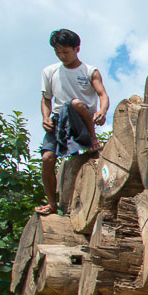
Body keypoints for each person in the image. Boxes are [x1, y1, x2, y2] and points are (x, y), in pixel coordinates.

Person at [37, 28, 109, 215]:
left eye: (66, 52)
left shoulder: (90, 71)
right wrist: (45, 118)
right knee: (47, 158)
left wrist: (102, 111)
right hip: (59, 120)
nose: (62, 56)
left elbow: (102, 95)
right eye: (58, 52)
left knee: (75, 103)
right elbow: (46, 99)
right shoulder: (49, 72)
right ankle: (52, 203)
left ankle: (93, 140)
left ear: (77, 49)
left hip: (82, 121)